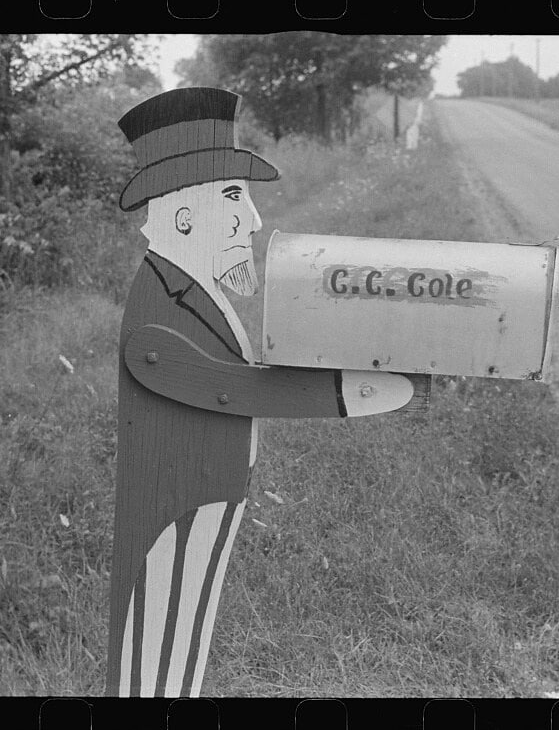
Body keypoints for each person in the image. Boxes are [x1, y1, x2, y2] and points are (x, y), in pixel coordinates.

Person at [107, 87, 414, 696]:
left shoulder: (194, 288)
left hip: (208, 498)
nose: (252, 219)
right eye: (234, 197)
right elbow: (228, 389)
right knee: (158, 654)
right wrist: (351, 392)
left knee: (186, 643)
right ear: (184, 216)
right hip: (173, 512)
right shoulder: (154, 306)